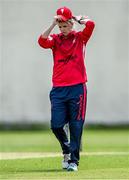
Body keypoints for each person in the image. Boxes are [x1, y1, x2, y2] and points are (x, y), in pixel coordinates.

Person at [38, 6, 95, 171]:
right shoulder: (55, 39)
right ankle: (67, 150)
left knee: (76, 126)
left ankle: (73, 162)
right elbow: (42, 41)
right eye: (60, 26)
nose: (62, 29)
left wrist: (78, 19)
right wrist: (52, 25)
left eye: (65, 25)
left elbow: (91, 24)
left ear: (71, 24)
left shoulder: (80, 37)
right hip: (58, 89)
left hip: (77, 88)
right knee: (56, 125)